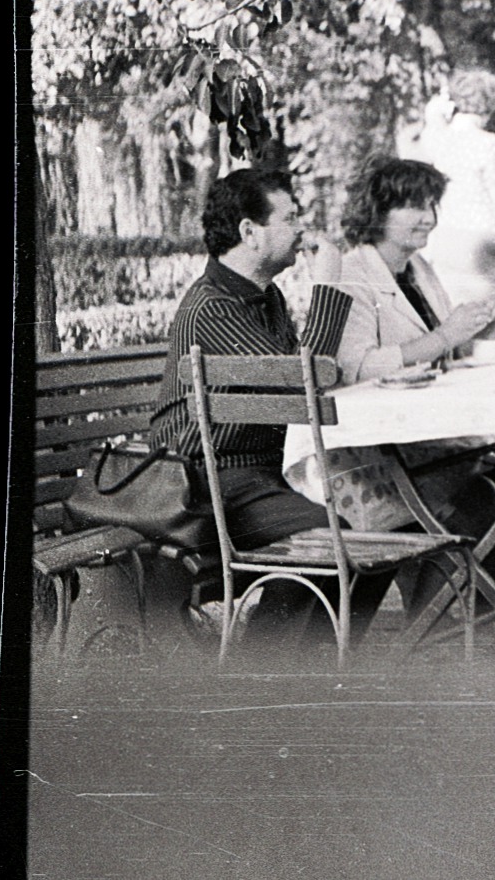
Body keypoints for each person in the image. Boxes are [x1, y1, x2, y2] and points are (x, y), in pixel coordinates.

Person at [148, 168, 373, 644]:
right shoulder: (212, 307)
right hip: (206, 487)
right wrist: (329, 288)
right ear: (249, 232)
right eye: (290, 218)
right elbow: (304, 385)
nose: (302, 230)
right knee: (332, 539)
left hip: (258, 475)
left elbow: (300, 379)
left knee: (376, 522)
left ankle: (312, 666)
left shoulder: (263, 297)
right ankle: (264, 666)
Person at [325, 156, 495, 607]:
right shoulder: (351, 276)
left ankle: (469, 611)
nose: (429, 217)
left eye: (432, 204)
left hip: (426, 436)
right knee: (482, 494)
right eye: (414, 206)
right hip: (373, 450)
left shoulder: (419, 271)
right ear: (378, 210)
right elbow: (356, 368)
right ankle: (438, 620)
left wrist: (477, 334)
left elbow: (440, 352)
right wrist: (446, 335)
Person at [410, 68, 495, 337]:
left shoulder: (435, 139)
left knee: (460, 328)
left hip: (444, 243)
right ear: (491, 104)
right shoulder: (490, 144)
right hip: (485, 244)